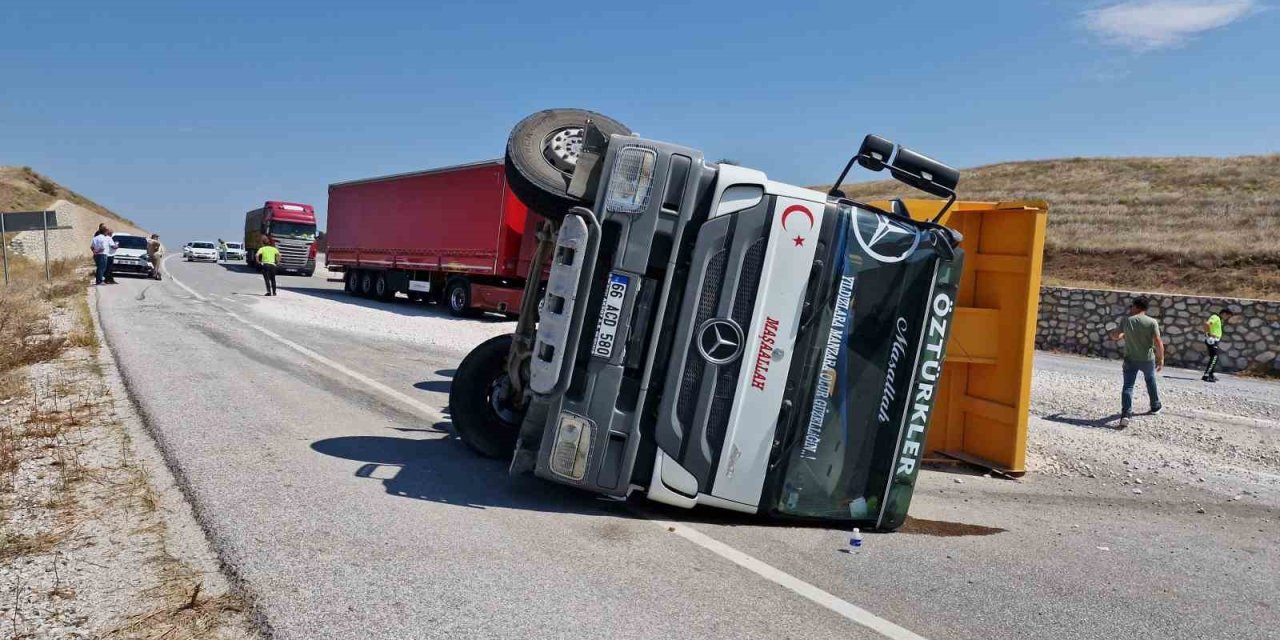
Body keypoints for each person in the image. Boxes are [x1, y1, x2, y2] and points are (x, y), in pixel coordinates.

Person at [1109, 297, 1164, 427]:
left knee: (1128, 386)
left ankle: (1126, 414)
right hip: (1147, 359)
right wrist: (1161, 359)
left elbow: (1115, 336)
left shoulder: (1126, 320)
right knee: (1150, 381)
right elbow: (1158, 341)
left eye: (1131, 306)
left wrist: (1114, 334)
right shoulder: (1152, 322)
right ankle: (1155, 406)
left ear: (1136, 306)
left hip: (1130, 359)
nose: (1130, 308)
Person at [1201, 308, 1234, 382]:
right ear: (1224, 314)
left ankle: (1210, 374)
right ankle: (1206, 375)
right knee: (1214, 357)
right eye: (1228, 316)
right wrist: (1208, 335)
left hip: (1214, 340)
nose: (1227, 318)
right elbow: (1207, 324)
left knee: (1214, 358)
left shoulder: (1219, 319)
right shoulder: (1215, 317)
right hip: (1211, 340)